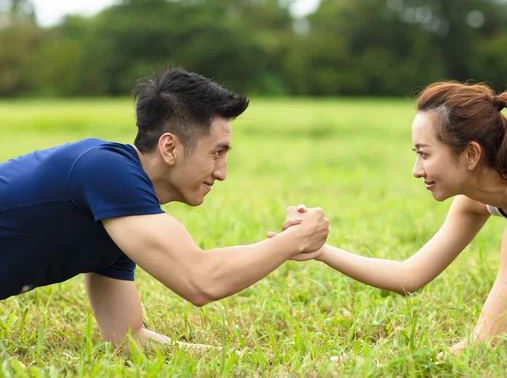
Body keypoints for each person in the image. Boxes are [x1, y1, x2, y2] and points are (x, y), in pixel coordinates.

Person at [0, 67, 329, 351]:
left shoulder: (125, 212)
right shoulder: (105, 169)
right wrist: (294, 240)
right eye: (216, 153)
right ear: (169, 147)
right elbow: (200, 280)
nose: (222, 172)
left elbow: (126, 338)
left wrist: (251, 360)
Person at [279, 81, 507, 355]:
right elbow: (409, 276)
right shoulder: (475, 201)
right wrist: (319, 250)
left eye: (425, 154)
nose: (416, 171)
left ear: (471, 154)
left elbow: (487, 343)